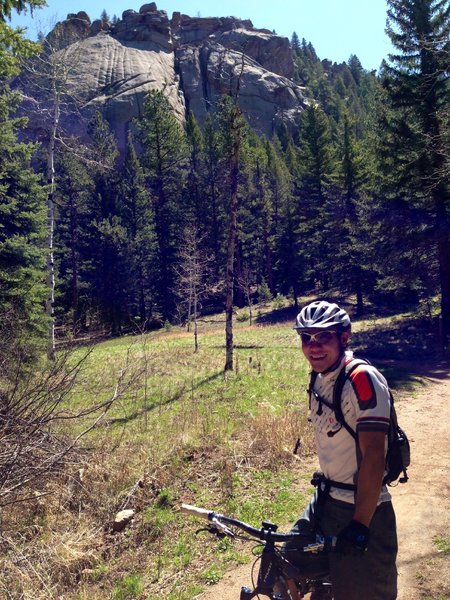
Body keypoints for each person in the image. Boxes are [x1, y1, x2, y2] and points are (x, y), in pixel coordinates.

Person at [282, 300, 398, 600]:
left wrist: (361, 525)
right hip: (327, 497)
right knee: (288, 558)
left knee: (363, 592)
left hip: (364, 505)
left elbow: (374, 456)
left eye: (323, 337)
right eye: (306, 338)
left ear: (343, 338)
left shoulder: (361, 379)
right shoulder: (319, 378)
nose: (313, 346)